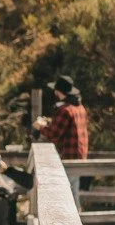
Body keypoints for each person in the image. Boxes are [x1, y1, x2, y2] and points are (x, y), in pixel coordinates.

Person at [35, 75, 89, 204]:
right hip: (80, 156)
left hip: (68, 156)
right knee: (73, 193)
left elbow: (54, 135)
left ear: (57, 91)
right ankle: (78, 221)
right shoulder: (80, 108)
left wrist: (40, 127)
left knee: (64, 195)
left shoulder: (65, 110)